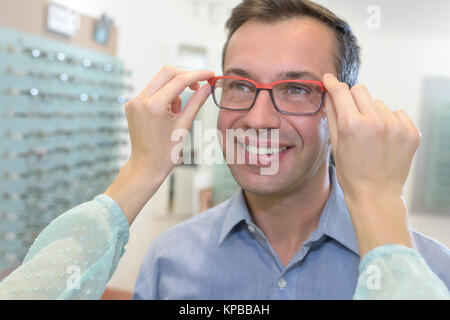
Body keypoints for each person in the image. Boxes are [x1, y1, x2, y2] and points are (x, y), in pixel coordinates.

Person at [0, 0, 449, 300]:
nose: (257, 119)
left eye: (295, 88)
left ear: (343, 109)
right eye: (240, 85)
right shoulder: (168, 261)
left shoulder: (431, 271)